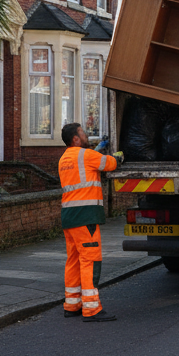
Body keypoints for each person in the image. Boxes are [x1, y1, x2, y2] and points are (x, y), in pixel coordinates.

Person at [59, 123, 122, 322]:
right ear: (75, 139)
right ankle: (92, 308)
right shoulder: (85, 155)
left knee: (73, 260)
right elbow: (110, 164)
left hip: (69, 216)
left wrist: (98, 150)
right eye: (83, 133)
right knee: (90, 260)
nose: (86, 135)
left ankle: (72, 304)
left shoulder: (64, 159)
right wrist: (118, 156)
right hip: (85, 216)